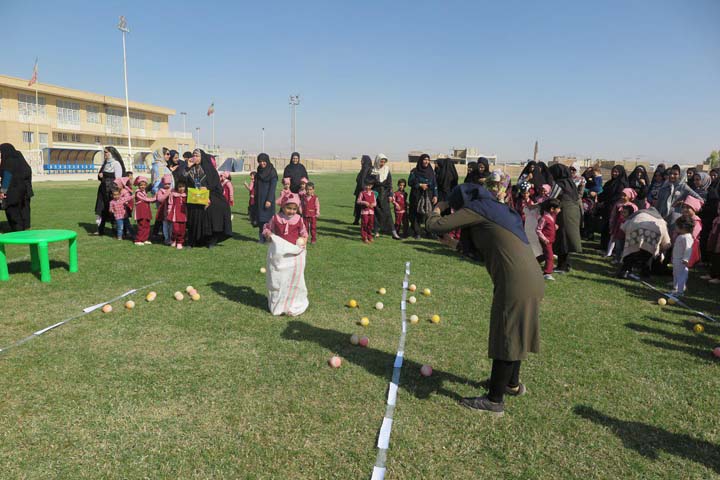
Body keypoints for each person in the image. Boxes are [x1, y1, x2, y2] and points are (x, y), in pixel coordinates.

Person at [426, 183, 544, 415]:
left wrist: (440, 206)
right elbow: (485, 252)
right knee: (515, 331)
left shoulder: (477, 208)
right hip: (530, 278)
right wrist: (453, 244)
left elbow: (434, 225)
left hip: (515, 283)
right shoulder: (497, 210)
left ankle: (494, 400)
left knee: (506, 334)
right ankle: (511, 384)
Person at [262, 193, 309, 316]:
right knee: (279, 279)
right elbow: (267, 228)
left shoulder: (298, 219)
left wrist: (303, 240)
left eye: (294, 209)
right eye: (289, 208)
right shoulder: (276, 218)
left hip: (293, 256)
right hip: (280, 256)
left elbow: (304, 233)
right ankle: (279, 303)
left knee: (292, 280)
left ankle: (292, 303)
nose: (292, 211)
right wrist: (268, 234)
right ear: (282, 206)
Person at [179, 149, 233, 248]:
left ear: (202, 157)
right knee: (194, 215)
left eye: (197, 156)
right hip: (194, 197)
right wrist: (187, 167)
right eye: (194, 155)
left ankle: (211, 240)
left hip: (210, 195)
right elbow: (181, 181)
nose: (195, 157)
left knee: (217, 208)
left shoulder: (210, 169)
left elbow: (217, 186)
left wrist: (207, 190)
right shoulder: (190, 169)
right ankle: (192, 241)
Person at [616, 207, 671, 279]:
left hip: (635, 230)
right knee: (647, 254)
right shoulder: (661, 221)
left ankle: (625, 271)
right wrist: (661, 250)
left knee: (631, 252)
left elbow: (624, 227)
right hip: (653, 235)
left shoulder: (638, 214)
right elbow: (667, 242)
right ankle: (645, 273)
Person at [549, 163, 583, 272]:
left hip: (564, 214)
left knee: (562, 239)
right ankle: (565, 264)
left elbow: (551, 199)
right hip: (573, 213)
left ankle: (562, 266)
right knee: (566, 240)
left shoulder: (560, 184)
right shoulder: (570, 183)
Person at [654, 164, 701, 230]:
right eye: (670, 173)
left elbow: (700, 200)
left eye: (675, 174)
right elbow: (659, 202)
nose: (672, 176)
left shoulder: (684, 187)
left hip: (675, 219)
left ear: (680, 175)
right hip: (661, 218)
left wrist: (685, 203)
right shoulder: (665, 185)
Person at [0, 143, 33, 231]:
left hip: (13, 192)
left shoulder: (8, 161)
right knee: (24, 210)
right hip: (25, 191)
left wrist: (2, 192)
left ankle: (17, 230)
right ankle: (26, 227)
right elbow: (28, 172)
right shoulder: (20, 158)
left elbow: (6, 177)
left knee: (13, 211)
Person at [93, 146, 126, 235]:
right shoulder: (105, 164)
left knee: (112, 209)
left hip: (111, 191)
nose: (105, 154)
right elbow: (100, 177)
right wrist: (100, 176)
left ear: (111, 153)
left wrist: (116, 191)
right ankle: (100, 230)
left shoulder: (116, 164)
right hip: (102, 190)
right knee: (102, 209)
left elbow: (118, 179)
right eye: (104, 152)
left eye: (106, 152)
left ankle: (116, 230)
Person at [597, 165, 628, 250]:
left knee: (612, 228)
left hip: (615, 208)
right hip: (607, 207)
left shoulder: (622, 184)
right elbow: (604, 193)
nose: (614, 173)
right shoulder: (610, 182)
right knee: (605, 227)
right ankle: (603, 245)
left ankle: (610, 248)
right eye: (613, 171)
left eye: (616, 172)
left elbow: (618, 196)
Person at [408, 153, 438, 239]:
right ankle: (417, 232)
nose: (426, 161)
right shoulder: (414, 171)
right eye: (425, 159)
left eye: (428, 160)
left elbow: (435, 184)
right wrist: (420, 185)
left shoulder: (431, 171)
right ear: (421, 160)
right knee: (416, 213)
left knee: (428, 214)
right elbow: (410, 182)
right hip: (417, 195)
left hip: (429, 195)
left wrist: (435, 195)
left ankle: (428, 232)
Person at [372, 154, 400, 239]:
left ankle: (394, 233)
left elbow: (389, 183)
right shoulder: (373, 170)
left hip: (385, 194)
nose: (382, 163)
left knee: (387, 213)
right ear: (377, 161)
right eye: (381, 161)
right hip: (375, 194)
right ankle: (376, 231)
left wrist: (391, 194)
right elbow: (369, 183)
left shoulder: (387, 170)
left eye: (384, 161)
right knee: (376, 213)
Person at [255, 153, 278, 243]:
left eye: (264, 161)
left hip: (268, 199)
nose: (262, 163)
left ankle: (269, 238)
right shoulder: (259, 171)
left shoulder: (272, 172)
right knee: (261, 220)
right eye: (260, 161)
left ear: (267, 161)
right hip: (259, 199)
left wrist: (269, 200)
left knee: (268, 221)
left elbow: (273, 187)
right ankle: (262, 238)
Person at [536, 198, 561, 280]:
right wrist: (544, 239)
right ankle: (547, 273)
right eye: (558, 208)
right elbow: (538, 229)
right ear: (552, 209)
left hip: (549, 240)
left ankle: (534, 262)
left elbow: (550, 226)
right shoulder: (544, 218)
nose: (560, 210)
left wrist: (555, 226)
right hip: (545, 240)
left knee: (546, 254)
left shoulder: (552, 216)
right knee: (550, 256)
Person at [669, 216, 695, 297]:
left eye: (677, 226)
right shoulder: (682, 236)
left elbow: (688, 248)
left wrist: (685, 259)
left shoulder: (687, 237)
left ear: (683, 227)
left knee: (681, 276)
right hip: (677, 260)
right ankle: (676, 288)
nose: (675, 227)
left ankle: (680, 291)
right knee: (676, 274)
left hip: (681, 261)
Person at [132, 176, 155, 245]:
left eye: (144, 185)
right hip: (140, 212)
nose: (143, 186)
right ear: (138, 185)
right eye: (141, 185)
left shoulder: (144, 192)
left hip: (146, 211)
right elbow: (145, 199)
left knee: (147, 225)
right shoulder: (138, 193)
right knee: (142, 225)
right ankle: (138, 240)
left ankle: (145, 238)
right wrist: (154, 198)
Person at [353, 155, 374, 224]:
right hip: (361, 190)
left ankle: (364, 221)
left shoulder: (368, 169)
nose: (361, 161)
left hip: (365, 190)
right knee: (359, 206)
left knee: (363, 206)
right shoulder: (364, 168)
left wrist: (364, 188)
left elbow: (366, 180)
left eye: (362, 160)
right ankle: (357, 220)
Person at [167, 180, 188, 249]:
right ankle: (173, 239)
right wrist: (169, 212)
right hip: (175, 215)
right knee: (175, 229)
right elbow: (170, 203)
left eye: (183, 187)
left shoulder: (186, 195)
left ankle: (180, 242)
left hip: (183, 215)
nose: (181, 188)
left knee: (182, 230)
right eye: (180, 187)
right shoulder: (173, 194)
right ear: (177, 187)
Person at [154, 174, 173, 245]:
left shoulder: (172, 190)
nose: (167, 185)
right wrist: (167, 193)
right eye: (166, 184)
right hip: (163, 211)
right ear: (163, 183)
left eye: (169, 184)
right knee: (165, 225)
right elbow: (160, 199)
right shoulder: (161, 191)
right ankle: (166, 238)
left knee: (171, 226)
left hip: (171, 211)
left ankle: (171, 238)